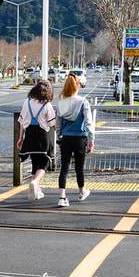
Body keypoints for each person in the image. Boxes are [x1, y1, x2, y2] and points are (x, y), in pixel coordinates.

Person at [54, 74, 95, 207]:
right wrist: (91, 139)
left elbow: (58, 124)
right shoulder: (83, 102)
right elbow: (89, 122)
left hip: (66, 138)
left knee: (64, 168)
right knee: (79, 168)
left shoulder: (61, 103)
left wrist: (59, 139)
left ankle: (62, 197)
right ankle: (81, 192)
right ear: (77, 86)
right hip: (80, 138)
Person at [16, 80, 56, 200]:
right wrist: (61, 135)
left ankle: (36, 190)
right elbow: (52, 123)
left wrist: (20, 138)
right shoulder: (46, 105)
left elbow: (22, 123)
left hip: (29, 136)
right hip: (43, 136)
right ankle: (35, 182)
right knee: (44, 162)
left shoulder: (26, 103)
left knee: (34, 162)